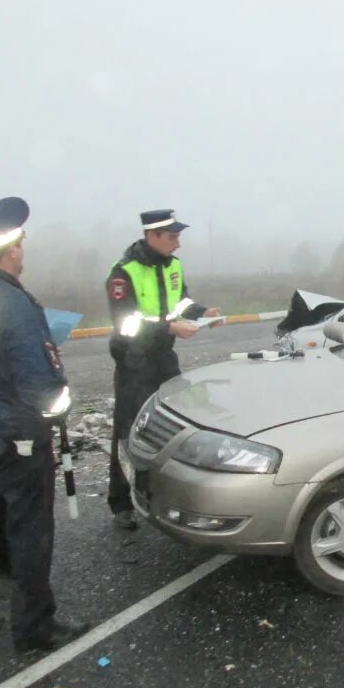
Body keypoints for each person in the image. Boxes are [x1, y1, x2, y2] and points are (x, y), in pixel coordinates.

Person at [0, 197, 89, 652]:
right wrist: (60, 404)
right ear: (11, 250)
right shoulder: (14, 303)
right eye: (21, 245)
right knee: (30, 534)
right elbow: (42, 389)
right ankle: (34, 630)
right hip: (16, 441)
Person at [106, 210, 220, 530]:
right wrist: (169, 329)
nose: (178, 243)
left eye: (178, 236)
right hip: (133, 361)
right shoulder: (123, 273)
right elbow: (125, 325)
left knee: (175, 424)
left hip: (162, 359)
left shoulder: (173, 265)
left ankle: (164, 494)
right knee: (129, 430)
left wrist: (201, 312)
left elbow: (180, 303)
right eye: (171, 237)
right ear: (151, 236)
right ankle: (120, 503)